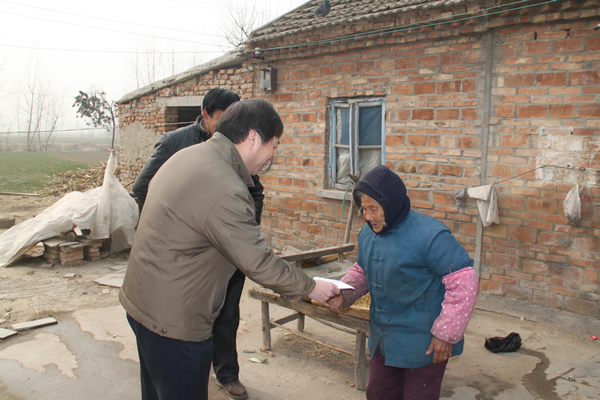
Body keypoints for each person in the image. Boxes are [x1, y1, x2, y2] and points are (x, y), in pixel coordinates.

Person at [120, 98, 340, 400]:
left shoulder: (190, 156)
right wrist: (312, 287)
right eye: (273, 145)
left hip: (144, 303)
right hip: (174, 322)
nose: (272, 156)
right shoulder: (224, 186)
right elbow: (258, 262)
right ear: (253, 138)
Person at [131, 88, 258, 399]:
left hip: (226, 251)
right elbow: (142, 187)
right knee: (183, 337)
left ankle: (226, 373)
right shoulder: (177, 144)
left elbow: (255, 191)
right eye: (223, 118)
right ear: (205, 115)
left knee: (226, 314)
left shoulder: (237, 150)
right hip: (187, 261)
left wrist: (243, 229)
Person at [325, 165, 478, 400]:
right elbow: (363, 270)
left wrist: (446, 334)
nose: (367, 216)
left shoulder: (430, 236)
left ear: (391, 204)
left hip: (423, 342)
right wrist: (344, 293)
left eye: (373, 209)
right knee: (378, 393)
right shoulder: (368, 234)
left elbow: (464, 281)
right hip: (384, 337)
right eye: (363, 209)